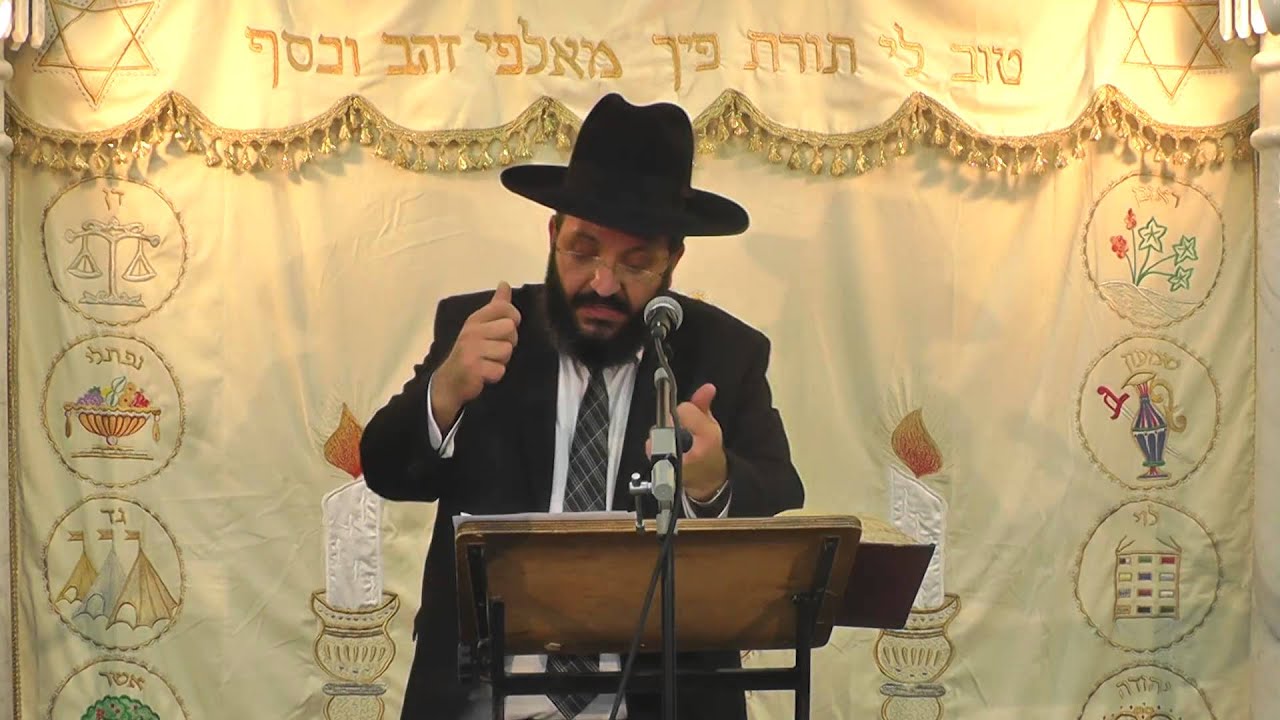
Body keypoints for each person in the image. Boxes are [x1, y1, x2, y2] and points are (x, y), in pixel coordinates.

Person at [359, 93, 805, 720]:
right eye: (583, 249)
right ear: (552, 233)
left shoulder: (722, 353)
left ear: (674, 259)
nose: (603, 283)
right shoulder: (483, 330)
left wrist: (714, 486)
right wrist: (445, 390)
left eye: (636, 263)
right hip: (485, 701)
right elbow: (385, 469)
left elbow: (781, 495)